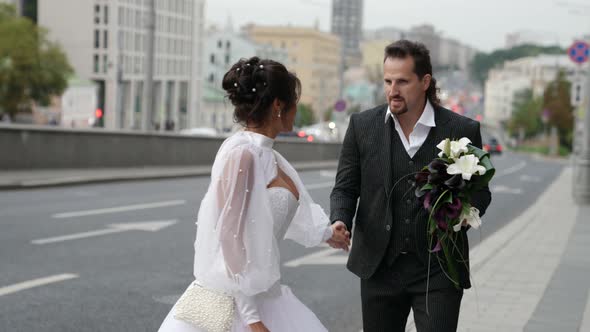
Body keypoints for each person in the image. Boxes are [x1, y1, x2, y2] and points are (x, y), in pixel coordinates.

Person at [159, 56, 350, 332]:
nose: (297, 109)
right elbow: (232, 238)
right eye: (294, 101)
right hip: (240, 304)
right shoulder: (242, 154)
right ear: (278, 105)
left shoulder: (270, 157)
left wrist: (328, 233)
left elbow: (277, 216)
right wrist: (251, 319)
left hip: (267, 295)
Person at [328, 40, 492, 332]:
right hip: (379, 268)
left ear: (425, 81)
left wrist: (457, 216)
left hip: (438, 269)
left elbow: (480, 191)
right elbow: (345, 187)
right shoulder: (362, 126)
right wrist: (339, 219)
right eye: (388, 81)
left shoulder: (461, 130)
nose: (393, 90)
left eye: (402, 81)